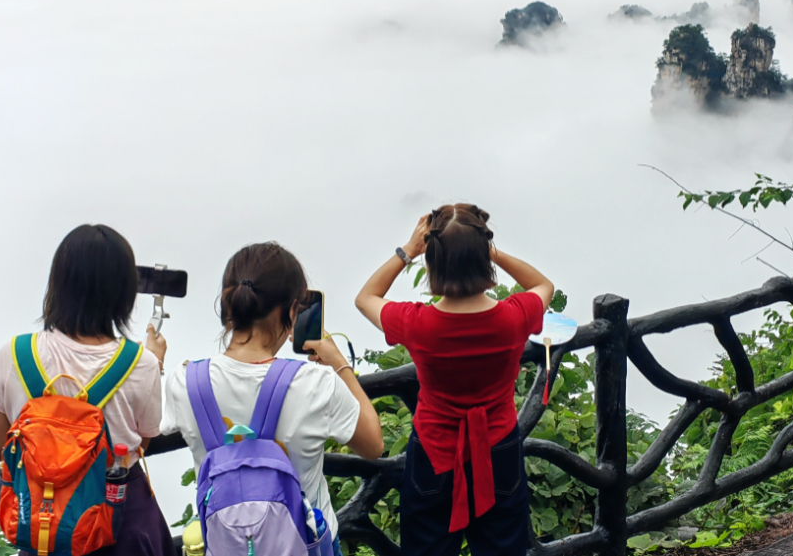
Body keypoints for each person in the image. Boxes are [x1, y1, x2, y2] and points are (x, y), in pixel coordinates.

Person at [355, 204, 554, 556]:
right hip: (500, 450)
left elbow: (366, 297)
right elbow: (543, 284)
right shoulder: (512, 317)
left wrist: (407, 251)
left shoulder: (418, 324)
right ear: (483, 257)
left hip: (434, 454)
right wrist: (487, 249)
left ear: (432, 261)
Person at [162, 242, 383, 556]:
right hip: (306, 545)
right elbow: (373, 445)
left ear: (228, 304)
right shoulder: (317, 383)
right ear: (293, 311)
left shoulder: (183, 383)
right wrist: (339, 365)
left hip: (228, 545)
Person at [0, 224, 175, 556]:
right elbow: (139, 444)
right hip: (117, 525)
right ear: (124, 292)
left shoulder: (14, 354)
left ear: (57, 284)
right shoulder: (140, 363)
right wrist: (154, 363)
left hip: (45, 527)